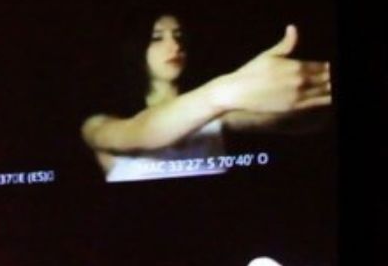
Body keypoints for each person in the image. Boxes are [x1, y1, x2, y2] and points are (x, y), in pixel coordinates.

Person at [81, 13, 332, 183]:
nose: (175, 46)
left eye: (179, 36)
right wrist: (229, 89)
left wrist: (311, 96)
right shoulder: (97, 124)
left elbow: (285, 121)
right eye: (157, 38)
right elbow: (143, 132)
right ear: (135, 48)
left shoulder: (216, 112)